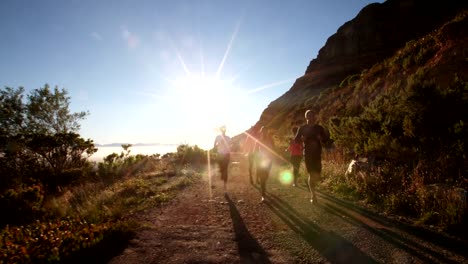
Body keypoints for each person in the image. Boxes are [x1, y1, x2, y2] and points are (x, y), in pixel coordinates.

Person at [294, 110, 329, 204]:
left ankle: (311, 186)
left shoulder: (319, 128)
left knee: (317, 174)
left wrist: (321, 139)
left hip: (317, 153)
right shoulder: (302, 128)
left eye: (312, 115)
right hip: (308, 154)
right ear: (306, 117)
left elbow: (326, 140)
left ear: (315, 117)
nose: (310, 117)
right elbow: (296, 140)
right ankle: (313, 195)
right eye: (308, 115)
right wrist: (302, 139)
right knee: (311, 174)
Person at [255, 126, 275, 202]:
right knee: (263, 178)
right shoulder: (258, 140)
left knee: (266, 176)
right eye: (263, 131)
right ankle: (263, 195)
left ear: (267, 132)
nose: (264, 132)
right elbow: (255, 151)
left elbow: (274, 149)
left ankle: (263, 188)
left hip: (269, 160)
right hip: (260, 160)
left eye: (265, 131)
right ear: (261, 132)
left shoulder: (271, 140)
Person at [214, 125, 231, 192]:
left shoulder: (228, 138)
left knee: (225, 169)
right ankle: (222, 172)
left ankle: (225, 185)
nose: (223, 130)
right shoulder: (217, 137)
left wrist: (226, 144)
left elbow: (231, 145)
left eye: (224, 129)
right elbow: (214, 145)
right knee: (222, 169)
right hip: (220, 155)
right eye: (222, 129)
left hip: (227, 154)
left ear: (225, 130)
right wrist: (219, 144)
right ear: (221, 130)